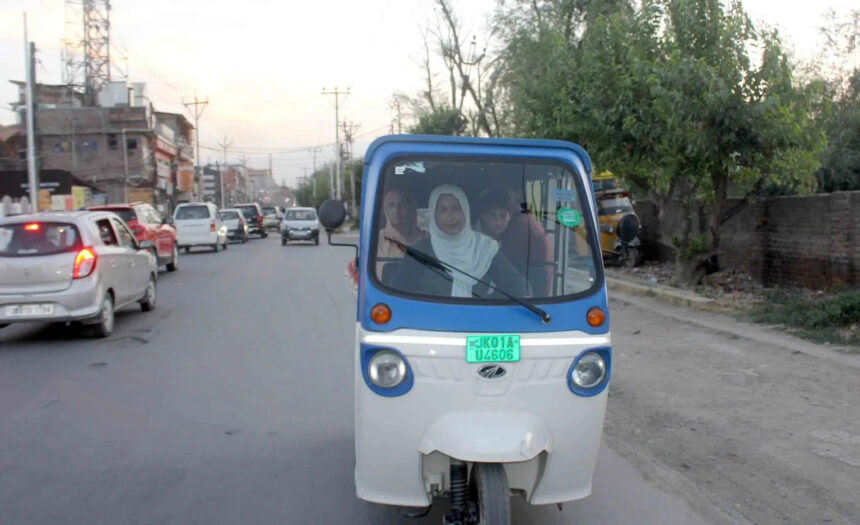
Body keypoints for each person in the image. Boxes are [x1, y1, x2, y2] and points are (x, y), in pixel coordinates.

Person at [391, 184, 526, 298]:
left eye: (456, 208)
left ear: (465, 211)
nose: (451, 217)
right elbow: (397, 290)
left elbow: (515, 284)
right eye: (443, 210)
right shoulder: (420, 251)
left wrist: (487, 305)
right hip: (432, 324)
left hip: (477, 323)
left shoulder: (484, 247)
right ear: (434, 215)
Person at [476, 186, 554, 297]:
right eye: (492, 215)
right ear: (482, 216)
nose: (498, 221)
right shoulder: (470, 239)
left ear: (510, 217)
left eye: (502, 216)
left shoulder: (512, 239)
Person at [375, 188, 428, 278]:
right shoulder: (376, 240)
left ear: (411, 209)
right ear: (385, 211)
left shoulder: (426, 238)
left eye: (402, 205)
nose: (396, 211)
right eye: (391, 206)